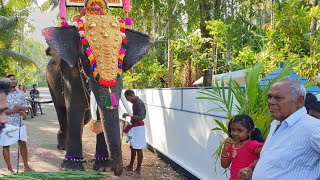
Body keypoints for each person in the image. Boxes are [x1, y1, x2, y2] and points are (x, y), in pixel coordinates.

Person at [238, 78, 320, 180]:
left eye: (278, 98)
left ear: (299, 101)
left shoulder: (313, 127)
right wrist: (252, 170)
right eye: (269, 97)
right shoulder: (276, 123)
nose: (271, 102)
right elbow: (272, 157)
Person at [0, 74, 33, 173]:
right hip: (7, 123)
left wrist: (22, 110)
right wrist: (15, 110)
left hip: (20, 123)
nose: (13, 81)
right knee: (6, 145)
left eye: (14, 79)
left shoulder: (21, 94)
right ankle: (10, 169)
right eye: (10, 80)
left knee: (23, 143)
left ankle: (26, 167)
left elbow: (26, 107)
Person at [221, 114, 264, 180]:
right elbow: (224, 165)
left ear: (249, 132)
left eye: (239, 130)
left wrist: (253, 166)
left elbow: (267, 153)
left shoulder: (252, 145)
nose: (235, 133)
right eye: (233, 130)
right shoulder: (233, 145)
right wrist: (224, 150)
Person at [122, 90, 146, 176]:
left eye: (127, 98)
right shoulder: (135, 103)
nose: (127, 100)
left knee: (138, 148)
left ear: (132, 95)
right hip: (134, 127)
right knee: (132, 147)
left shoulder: (139, 103)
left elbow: (141, 117)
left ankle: (138, 170)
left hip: (138, 128)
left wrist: (129, 115)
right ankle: (131, 166)